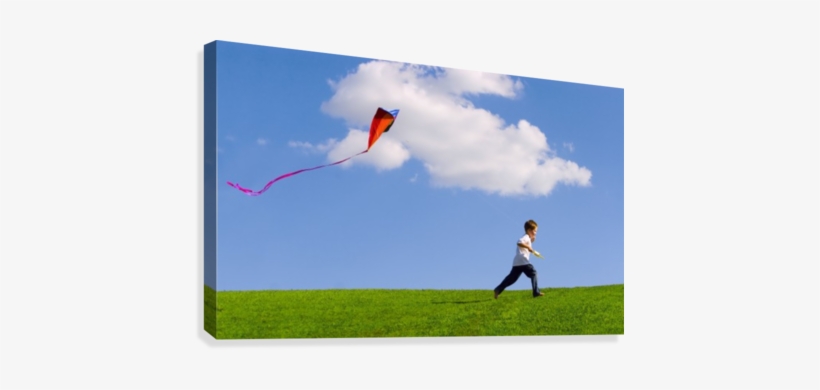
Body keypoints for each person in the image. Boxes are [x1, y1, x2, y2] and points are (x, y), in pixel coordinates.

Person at [493, 220, 545, 299]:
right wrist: (528, 247)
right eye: (535, 231)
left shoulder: (528, 238)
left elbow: (526, 242)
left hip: (517, 262)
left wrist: (532, 240)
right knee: (533, 273)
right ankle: (536, 292)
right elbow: (519, 242)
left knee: (511, 279)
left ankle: (498, 289)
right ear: (529, 230)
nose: (536, 233)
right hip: (523, 261)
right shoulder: (525, 237)